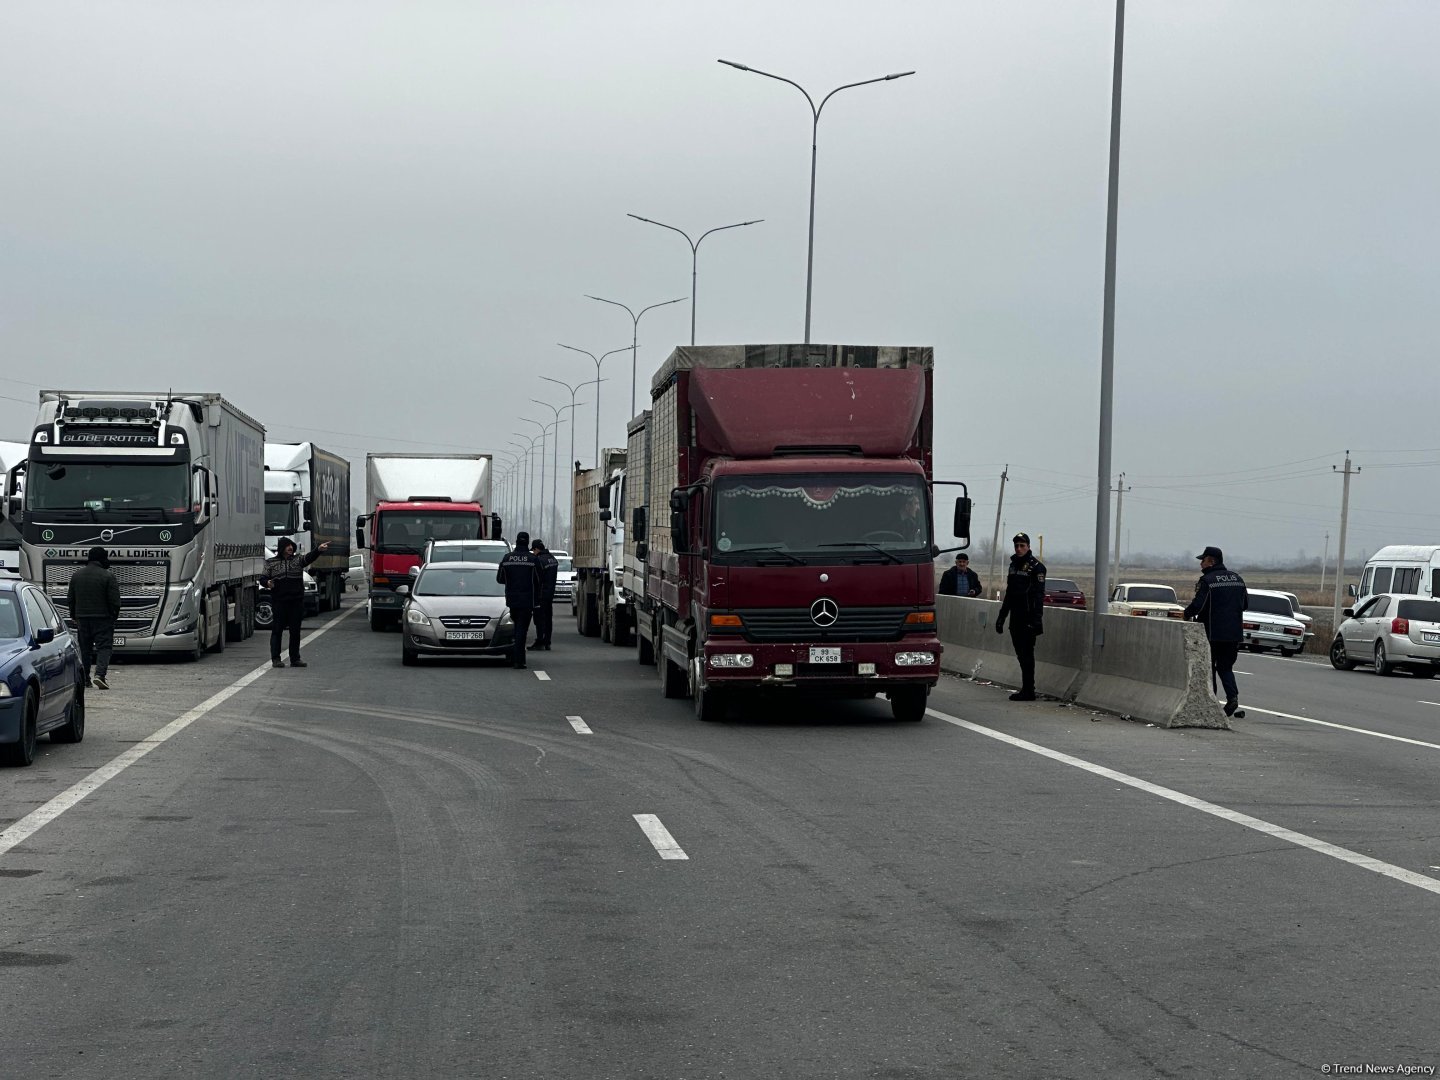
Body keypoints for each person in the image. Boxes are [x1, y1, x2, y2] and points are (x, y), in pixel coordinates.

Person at [1182, 545, 1249, 718]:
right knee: (1226, 667)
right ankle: (1232, 698)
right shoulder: (1238, 579)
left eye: (1202, 561)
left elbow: (1198, 605)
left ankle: (1211, 700)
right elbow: (1246, 605)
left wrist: (1185, 615)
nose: (1200, 565)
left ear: (1211, 561)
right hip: (1233, 634)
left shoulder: (1208, 581)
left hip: (1212, 633)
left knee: (1209, 667)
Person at [262, 536, 331, 669]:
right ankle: (276, 659)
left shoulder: (297, 560)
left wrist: (318, 550)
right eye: (287, 546)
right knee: (277, 630)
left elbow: (309, 557)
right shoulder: (271, 562)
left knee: (295, 631)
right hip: (279, 602)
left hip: (295, 602)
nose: (290, 548)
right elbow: (263, 578)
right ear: (282, 548)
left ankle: (295, 658)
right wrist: (268, 583)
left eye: (291, 546)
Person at [995, 532, 1046, 701]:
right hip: (1015, 617)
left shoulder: (1036, 568)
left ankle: (1029, 690)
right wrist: (1002, 617)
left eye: (1022, 545)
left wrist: (1036, 621)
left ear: (1028, 547)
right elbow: (1010, 594)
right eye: (1016, 545)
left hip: (1028, 617)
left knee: (1027, 654)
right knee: (1020, 654)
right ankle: (1026, 688)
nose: (1019, 548)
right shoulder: (1013, 566)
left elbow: (1038, 597)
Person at [66, 545, 120, 689]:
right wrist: (113, 616)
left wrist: (73, 615)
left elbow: (71, 598)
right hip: (103, 619)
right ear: (102, 559)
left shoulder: (76, 575)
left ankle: (85, 679)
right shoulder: (108, 576)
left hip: (82, 618)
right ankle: (100, 675)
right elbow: (115, 601)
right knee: (104, 647)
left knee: (85, 649)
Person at [496, 531, 539, 669]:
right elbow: (539, 580)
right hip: (527, 600)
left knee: (516, 629)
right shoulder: (533, 560)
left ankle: (515, 657)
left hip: (512, 599)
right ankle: (519, 660)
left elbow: (500, 579)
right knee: (522, 629)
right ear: (527, 542)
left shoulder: (507, 558)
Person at [530, 538, 559, 650]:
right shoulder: (552, 559)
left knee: (539, 618)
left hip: (540, 594)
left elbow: (537, 579)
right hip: (550, 594)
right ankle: (547, 641)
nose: (533, 552)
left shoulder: (539, 560)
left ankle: (540, 640)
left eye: (533, 550)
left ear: (537, 549)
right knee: (548, 618)